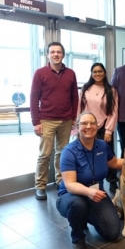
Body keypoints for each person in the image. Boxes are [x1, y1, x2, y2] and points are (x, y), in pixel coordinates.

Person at [56, 111, 123, 249]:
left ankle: (84, 216)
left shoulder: (102, 146)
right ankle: (78, 238)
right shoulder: (69, 152)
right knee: (78, 204)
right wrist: (88, 192)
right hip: (71, 196)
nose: (88, 126)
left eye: (92, 123)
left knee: (112, 233)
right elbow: (70, 184)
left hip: (95, 194)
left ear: (97, 126)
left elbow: (114, 162)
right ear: (77, 126)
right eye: (84, 123)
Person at [30, 41, 78, 201]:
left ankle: (60, 181)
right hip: (46, 120)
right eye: (52, 52)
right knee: (44, 155)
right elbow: (33, 98)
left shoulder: (70, 73)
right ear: (48, 54)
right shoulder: (40, 73)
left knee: (63, 154)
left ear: (63, 54)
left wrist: (73, 118)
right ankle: (40, 186)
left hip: (65, 120)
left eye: (58, 52)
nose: (56, 54)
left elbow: (74, 98)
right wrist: (36, 122)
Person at [78, 63, 119, 191]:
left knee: (108, 155)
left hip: (103, 128)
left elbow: (113, 111)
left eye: (100, 71)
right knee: (86, 155)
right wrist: (78, 127)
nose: (97, 74)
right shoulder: (85, 88)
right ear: (91, 74)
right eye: (94, 72)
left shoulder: (111, 90)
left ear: (104, 73)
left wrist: (109, 131)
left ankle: (112, 181)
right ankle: (88, 181)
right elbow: (80, 109)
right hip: (87, 127)